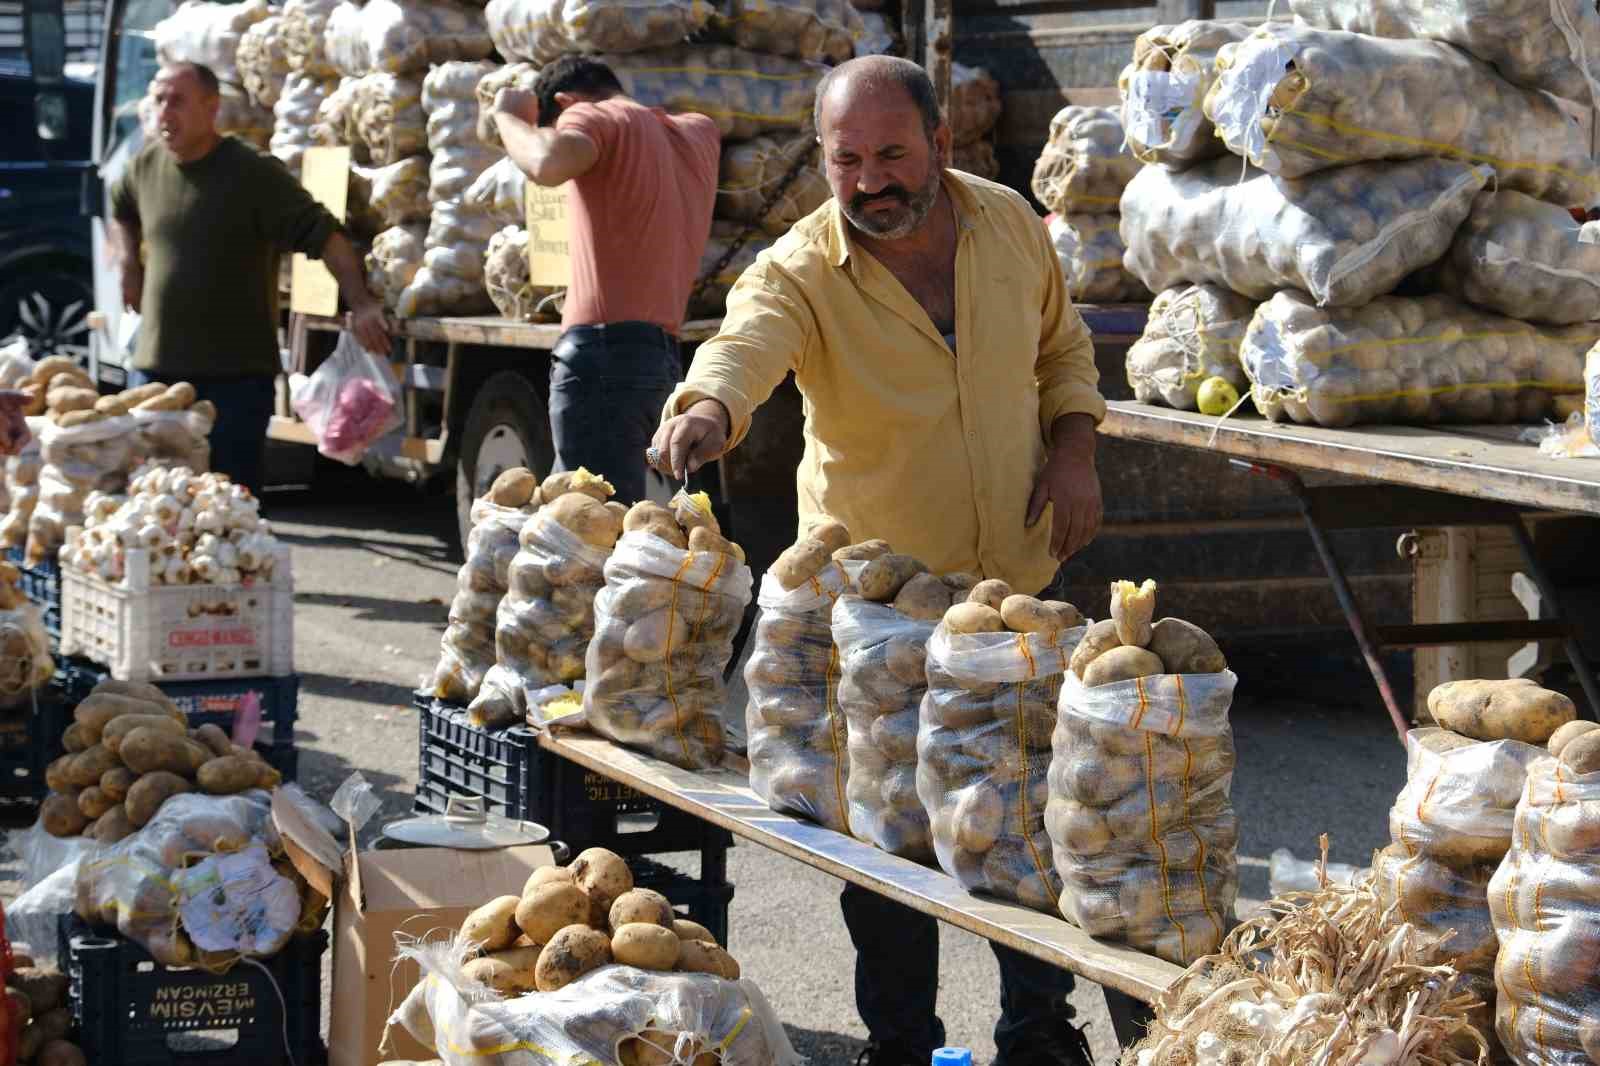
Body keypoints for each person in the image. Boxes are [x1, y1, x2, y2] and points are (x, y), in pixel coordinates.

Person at [652, 56, 1106, 1066]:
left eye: (892, 154)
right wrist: (707, 410)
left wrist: (1074, 449)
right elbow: (742, 345)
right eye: (845, 159)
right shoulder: (802, 268)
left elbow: (1061, 351)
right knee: (887, 840)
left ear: (942, 146)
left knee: (1026, 822)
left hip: (1014, 597)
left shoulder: (1009, 225)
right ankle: (899, 1045)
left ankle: (1039, 1037)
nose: (868, 182)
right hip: (884, 618)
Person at [110, 62, 390, 497]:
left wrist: (362, 301)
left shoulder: (252, 173)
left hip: (234, 382)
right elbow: (122, 207)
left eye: (178, 101)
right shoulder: (145, 166)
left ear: (212, 107)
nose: (165, 112)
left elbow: (326, 235)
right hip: (155, 377)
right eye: (159, 100)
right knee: (154, 509)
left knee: (229, 512)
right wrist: (129, 264)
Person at [493, 56, 720, 504]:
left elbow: (547, 163)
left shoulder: (593, 115)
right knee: (615, 522)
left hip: (601, 357)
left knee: (588, 531)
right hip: (659, 358)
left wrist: (508, 116)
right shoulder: (698, 133)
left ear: (564, 102)